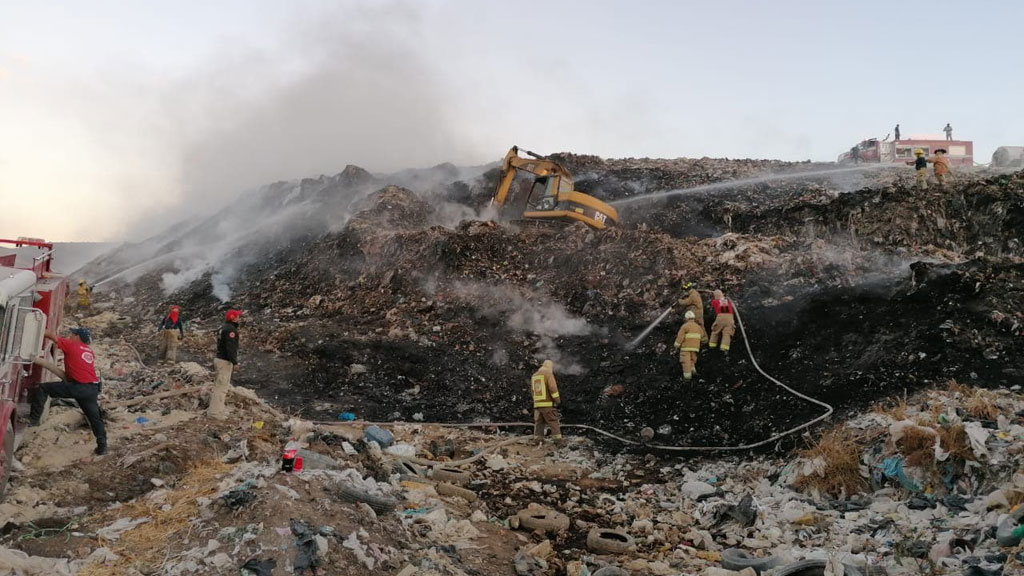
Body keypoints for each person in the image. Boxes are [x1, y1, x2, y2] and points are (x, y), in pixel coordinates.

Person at [29, 328, 107, 455]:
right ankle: (102, 447)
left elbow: (52, 336)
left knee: (43, 388)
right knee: (95, 418)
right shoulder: (89, 351)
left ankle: (33, 420)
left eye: (72, 334)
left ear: (77, 336)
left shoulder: (71, 345)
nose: (70, 336)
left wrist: (35, 326)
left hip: (78, 387)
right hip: (92, 389)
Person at [208, 309, 241, 419]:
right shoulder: (231, 330)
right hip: (224, 361)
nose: (239, 318)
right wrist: (235, 362)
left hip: (219, 359)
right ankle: (214, 413)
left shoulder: (222, 328)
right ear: (233, 318)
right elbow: (230, 348)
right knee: (221, 387)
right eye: (237, 316)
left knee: (220, 385)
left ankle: (219, 409)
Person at [531, 359, 561, 441]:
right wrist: (557, 400)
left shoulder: (534, 375)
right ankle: (558, 441)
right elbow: (553, 388)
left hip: (537, 405)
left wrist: (536, 401)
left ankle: (537, 439)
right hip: (547, 405)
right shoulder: (548, 374)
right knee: (553, 421)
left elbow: (533, 391)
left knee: (539, 423)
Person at [674, 310, 707, 380]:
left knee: (685, 361)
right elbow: (702, 335)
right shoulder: (698, 327)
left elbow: (680, 336)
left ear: (686, 318)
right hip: (695, 347)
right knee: (692, 359)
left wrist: (676, 345)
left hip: (686, 347)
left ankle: (687, 377)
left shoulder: (685, 326)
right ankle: (693, 370)